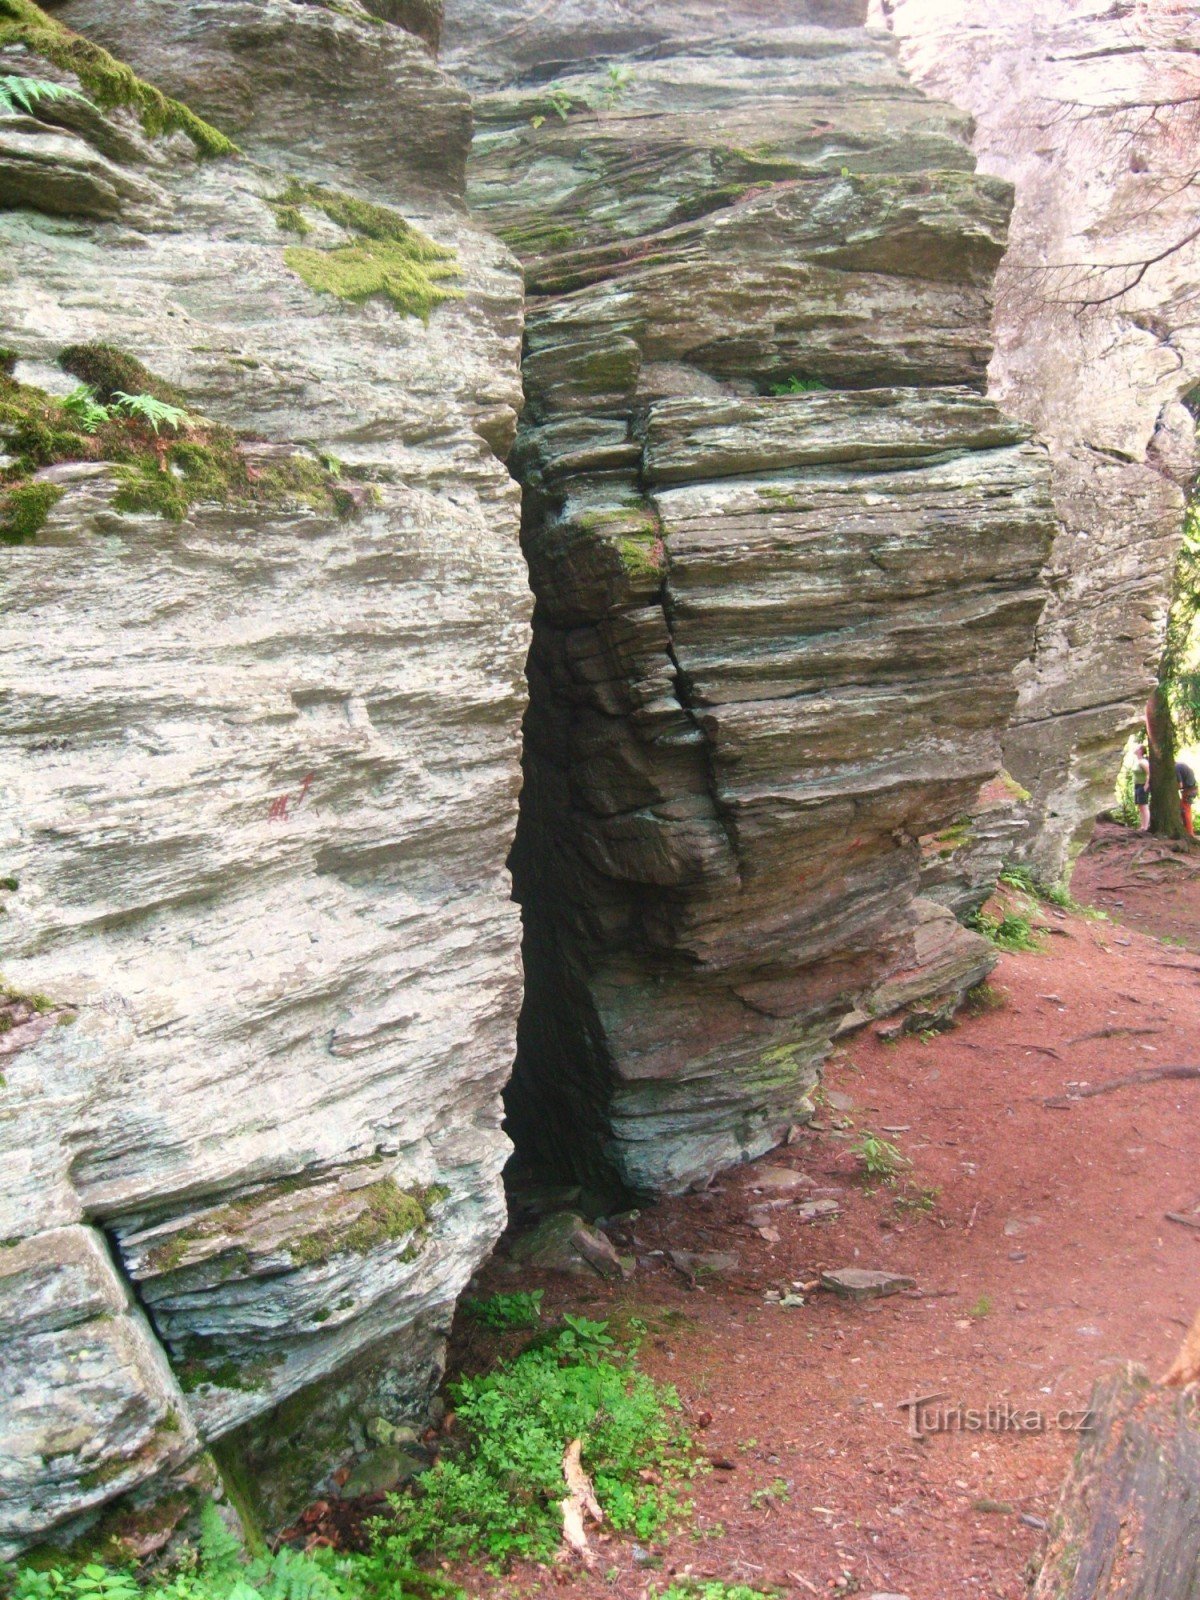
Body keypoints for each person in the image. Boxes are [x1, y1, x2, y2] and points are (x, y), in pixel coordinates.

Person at [1177, 758, 1198, 838]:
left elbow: (1180, 785)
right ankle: (1189, 831)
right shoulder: (1182, 765)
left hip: (1188, 791)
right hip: (1193, 789)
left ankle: (1189, 832)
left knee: (1185, 811)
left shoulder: (1176, 768)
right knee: (1186, 809)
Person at [1133, 742, 1150, 830]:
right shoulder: (1137, 761)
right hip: (1137, 785)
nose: (1135, 749)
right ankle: (1142, 826)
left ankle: (1146, 826)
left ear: (1140, 750)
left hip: (1142, 785)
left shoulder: (1143, 762)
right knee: (1140, 806)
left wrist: (1146, 785)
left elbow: (1148, 773)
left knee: (1144, 805)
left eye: (1137, 748)